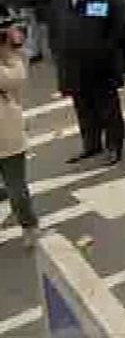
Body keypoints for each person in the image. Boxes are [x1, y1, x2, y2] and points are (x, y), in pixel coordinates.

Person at [50, 0, 125, 166]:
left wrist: (105, 52)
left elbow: (118, 29)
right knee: (82, 106)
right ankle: (91, 144)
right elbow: (55, 23)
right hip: (72, 62)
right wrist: (58, 51)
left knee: (108, 107)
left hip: (100, 64)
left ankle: (114, 145)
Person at [0, 16, 38, 247]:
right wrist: (10, 52)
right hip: (6, 131)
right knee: (16, 185)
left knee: (13, 186)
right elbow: (16, 78)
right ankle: (29, 226)